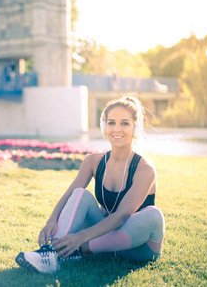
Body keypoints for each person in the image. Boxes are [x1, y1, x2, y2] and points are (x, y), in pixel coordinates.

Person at [15, 95, 165, 274]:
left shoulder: (145, 169)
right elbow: (71, 193)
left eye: (125, 123)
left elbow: (123, 215)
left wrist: (81, 236)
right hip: (103, 236)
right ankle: (51, 255)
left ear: (136, 128)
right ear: (104, 127)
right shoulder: (93, 161)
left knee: (154, 216)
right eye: (111, 123)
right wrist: (51, 220)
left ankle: (75, 249)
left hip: (138, 245)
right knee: (80, 194)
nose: (116, 129)